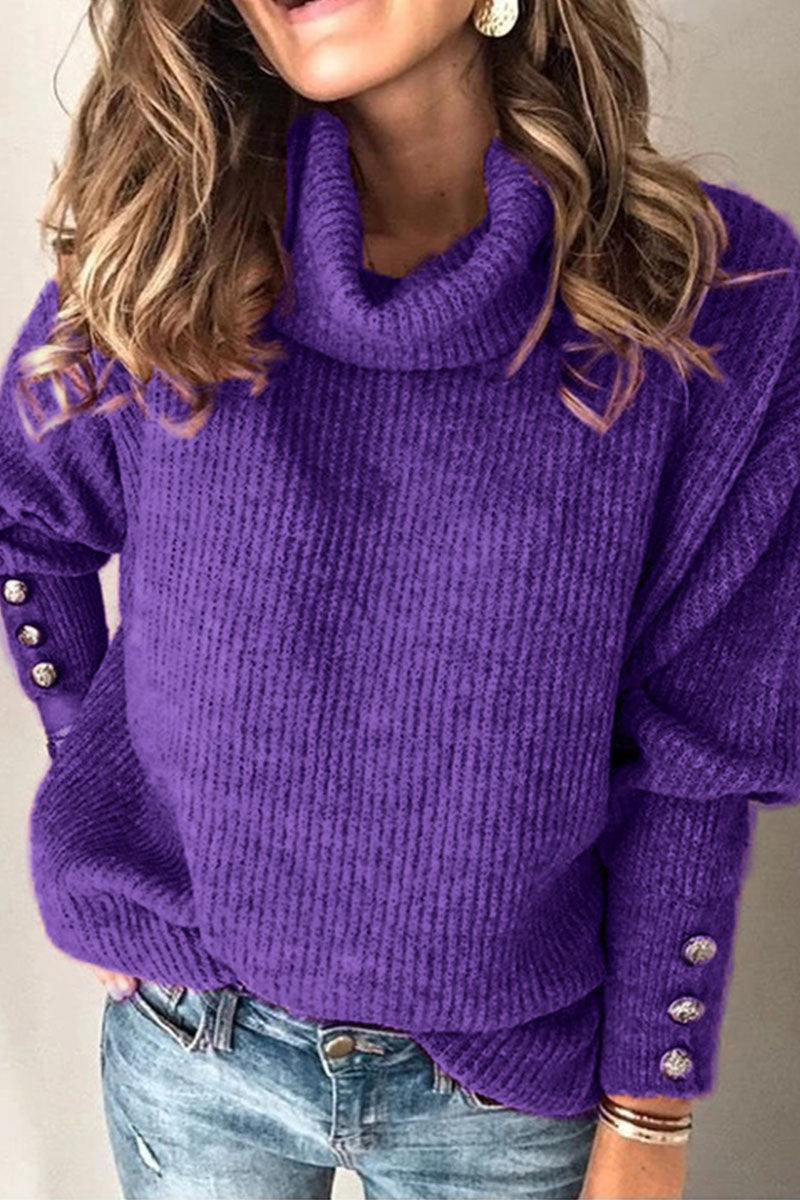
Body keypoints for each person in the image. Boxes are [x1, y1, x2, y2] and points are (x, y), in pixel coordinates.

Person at [2, 0, 799, 1196]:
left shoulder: (713, 296)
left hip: (497, 1096)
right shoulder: (170, 240)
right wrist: (101, 789)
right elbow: (27, 522)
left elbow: (699, 753)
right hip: (192, 1045)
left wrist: (649, 1109)